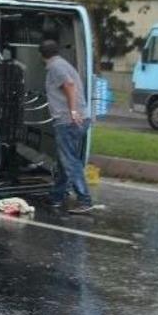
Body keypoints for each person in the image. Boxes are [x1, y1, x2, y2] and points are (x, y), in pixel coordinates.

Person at [39, 39, 94, 214]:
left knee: (70, 161)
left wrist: (73, 111)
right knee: (66, 160)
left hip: (68, 121)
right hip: (78, 120)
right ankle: (56, 196)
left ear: (42, 55)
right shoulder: (63, 64)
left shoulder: (56, 67)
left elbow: (69, 85)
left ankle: (84, 200)